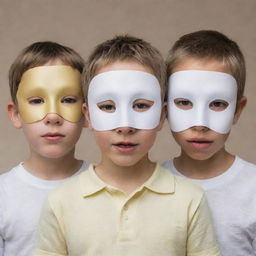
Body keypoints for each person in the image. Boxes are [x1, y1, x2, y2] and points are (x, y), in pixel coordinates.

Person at [34, 35, 220, 256]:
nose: (125, 126)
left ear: (162, 115)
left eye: (141, 105)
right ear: (89, 116)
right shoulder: (60, 202)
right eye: (107, 106)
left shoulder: (190, 199)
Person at [163, 30, 256, 255]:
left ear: (237, 110)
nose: (200, 124)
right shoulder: (149, 184)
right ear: (165, 108)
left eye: (217, 104)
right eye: (184, 102)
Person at [0, 41, 89, 256]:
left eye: (68, 99)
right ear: (16, 114)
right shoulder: (3, 195)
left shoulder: (107, 186)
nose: (52, 116)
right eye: (37, 100)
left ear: (86, 112)